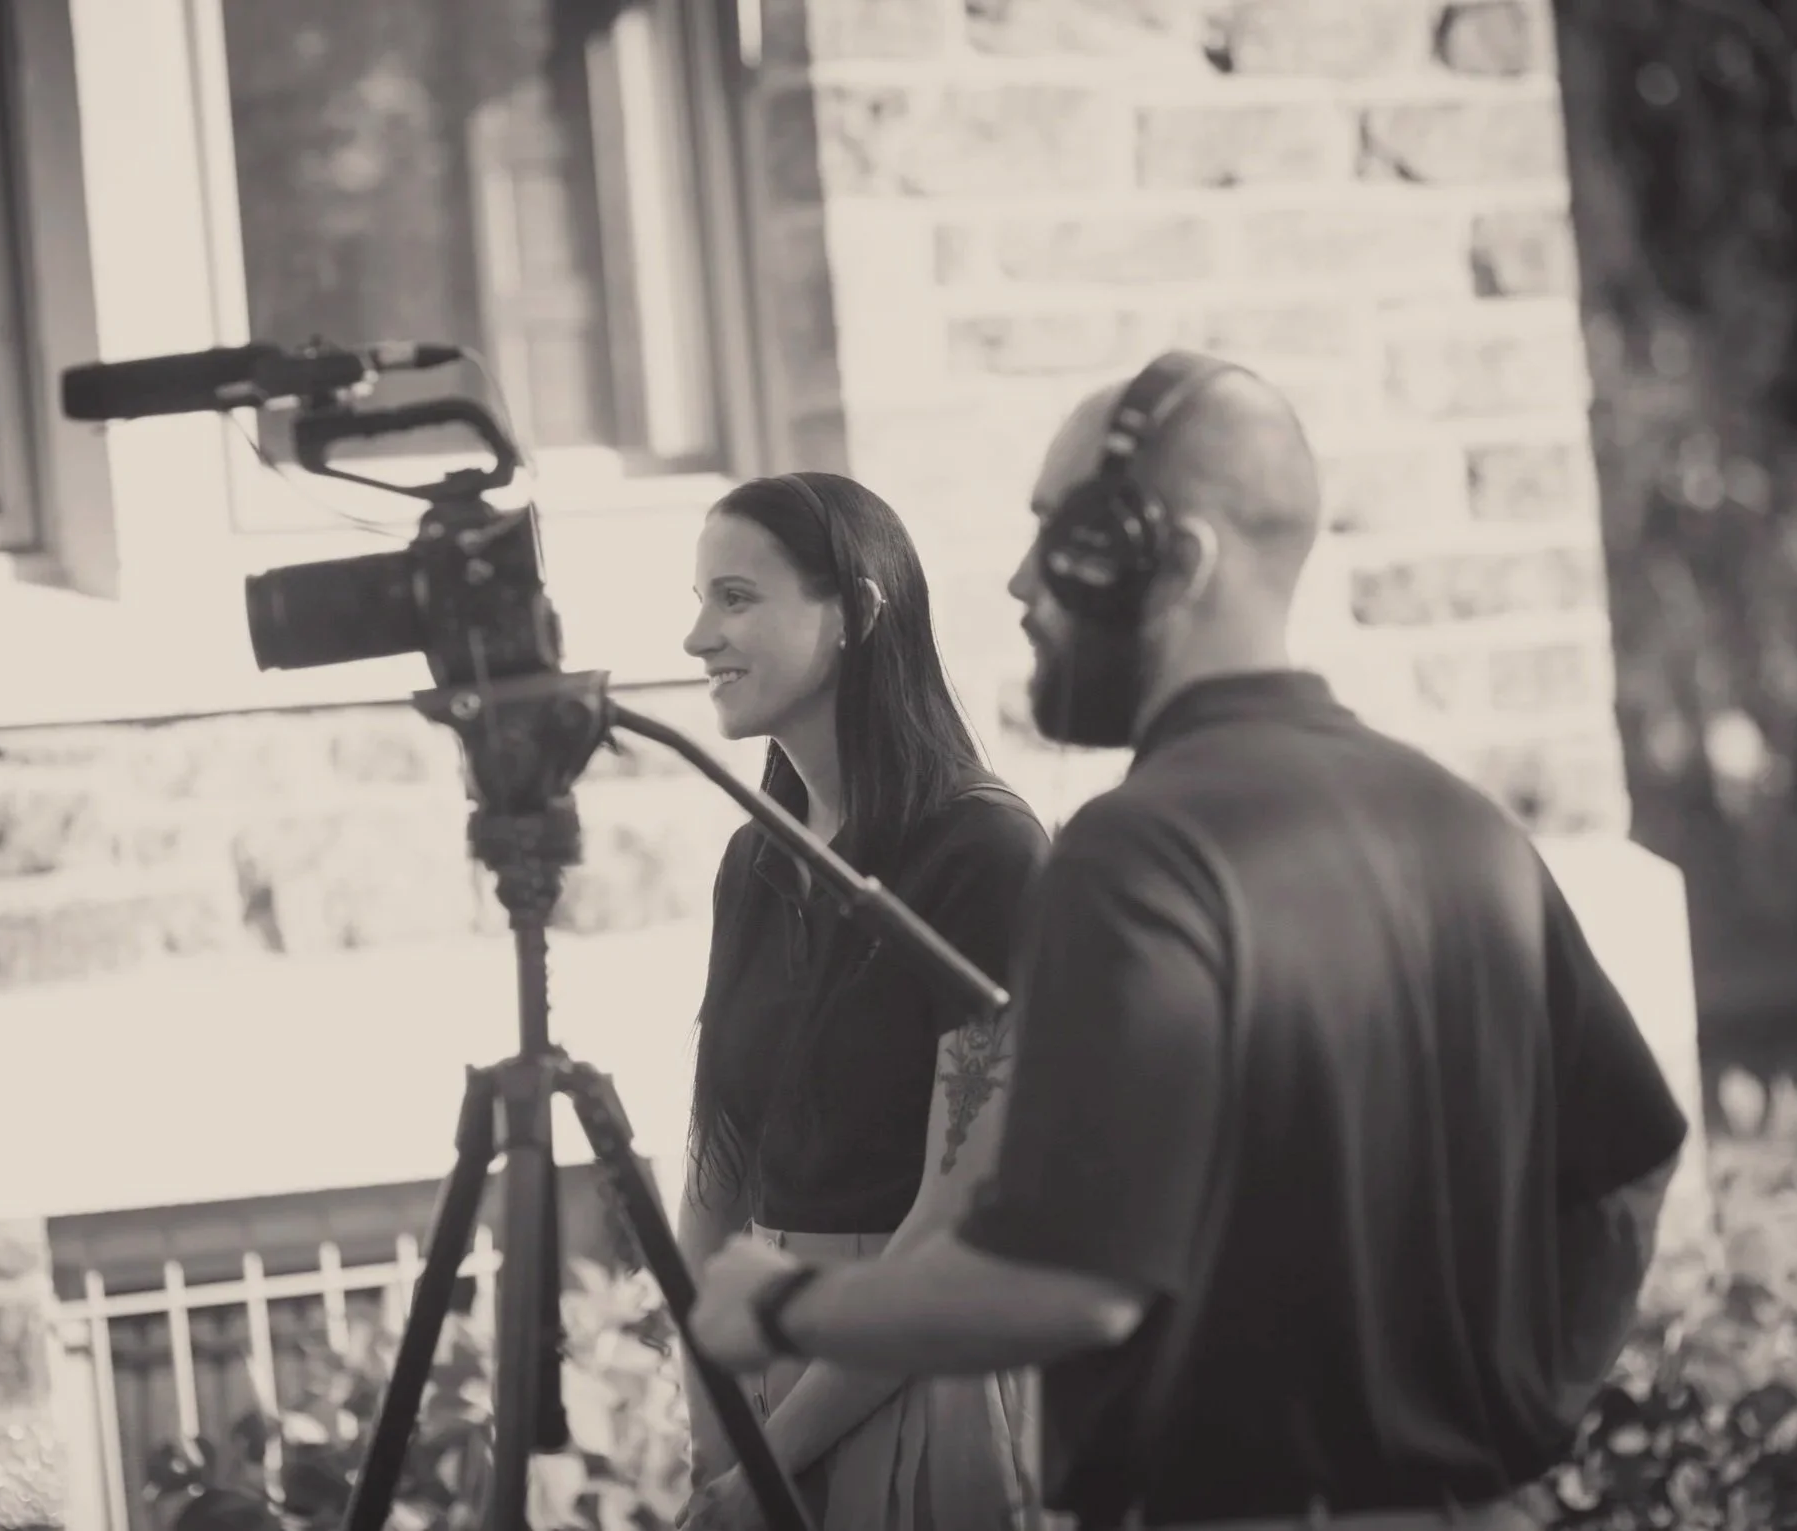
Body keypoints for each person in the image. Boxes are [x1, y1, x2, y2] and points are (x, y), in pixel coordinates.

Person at [689, 353, 1690, 1531]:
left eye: (1059, 533)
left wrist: (792, 1309)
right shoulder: (1463, 825)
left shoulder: (1138, 853)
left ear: (1179, 559)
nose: (1019, 582)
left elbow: (1074, 1276)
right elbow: (1625, 1172)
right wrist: (1515, 1426)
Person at [675, 470, 1052, 1530]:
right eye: (701, 599)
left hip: (920, 1376)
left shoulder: (985, 851)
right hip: (763, 1365)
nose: (698, 638)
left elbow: (950, 1221)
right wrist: (715, 1410)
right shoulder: (754, 860)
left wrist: (767, 1463)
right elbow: (717, 1162)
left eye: (736, 597)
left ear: (857, 612)